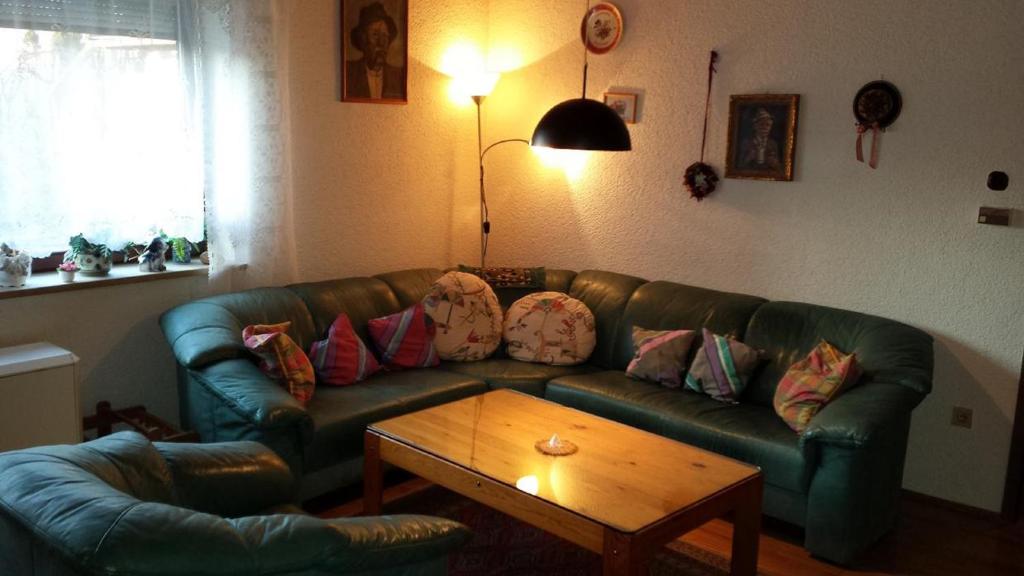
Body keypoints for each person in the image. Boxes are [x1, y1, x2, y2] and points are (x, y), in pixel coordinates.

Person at [345, 2, 405, 100]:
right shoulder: (349, 73)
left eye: (385, 36)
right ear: (363, 39)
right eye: (375, 34)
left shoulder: (398, 76)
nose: (381, 42)